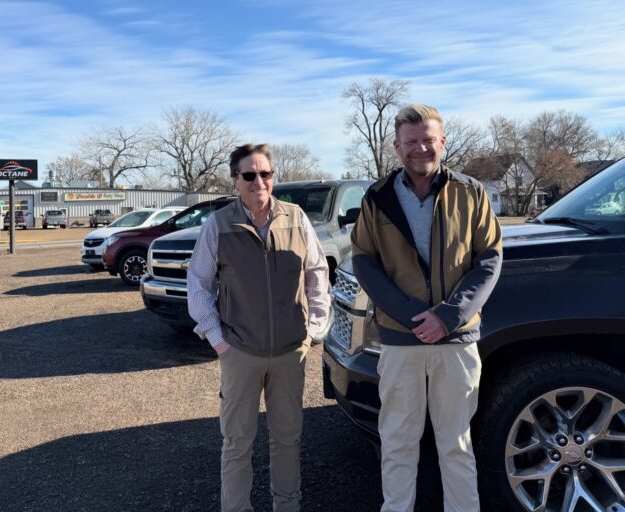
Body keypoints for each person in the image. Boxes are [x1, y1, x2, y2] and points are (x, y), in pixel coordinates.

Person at [350, 104, 503, 512]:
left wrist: (448, 316)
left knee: (455, 442)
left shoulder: (470, 193)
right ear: (398, 147)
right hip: (401, 340)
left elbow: (489, 259)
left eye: (428, 140)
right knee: (398, 440)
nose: (421, 148)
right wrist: (411, 315)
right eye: (411, 142)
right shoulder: (377, 198)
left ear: (443, 142)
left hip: (456, 340)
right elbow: (364, 259)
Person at [187, 143, 330, 512]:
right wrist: (219, 341)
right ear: (235, 180)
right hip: (240, 353)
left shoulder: (296, 218)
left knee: (287, 439)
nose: (258, 182)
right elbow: (199, 284)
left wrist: (314, 329)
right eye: (249, 175)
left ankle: (287, 505)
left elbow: (317, 273)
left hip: (290, 352)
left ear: (273, 177)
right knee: (237, 443)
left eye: (265, 174)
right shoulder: (218, 224)